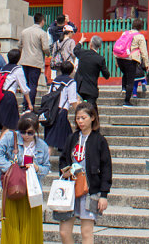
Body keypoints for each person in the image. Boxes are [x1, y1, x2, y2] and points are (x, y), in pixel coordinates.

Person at [55, 102, 111, 244]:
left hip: (90, 190)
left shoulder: (99, 140)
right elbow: (63, 160)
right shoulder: (72, 138)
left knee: (86, 233)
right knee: (64, 231)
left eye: (83, 118)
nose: (80, 121)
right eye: (78, 118)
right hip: (70, 190)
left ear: (92, 118)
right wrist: (65, 170)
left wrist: (103, 195)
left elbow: (106, 168)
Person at [0, 113, 50, 244]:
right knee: (12, 223)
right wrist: (12, 168)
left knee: (31, 226)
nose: (25, 135)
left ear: (36, 131)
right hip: (13, 186)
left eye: (30, 133)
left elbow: (46, 167)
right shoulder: (10, 137)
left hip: (32, 188)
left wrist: (37, 168)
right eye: (23, 132)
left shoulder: (42, 145)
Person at [0, 48, 33, 132]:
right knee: (9, 125)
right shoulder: (18, 69)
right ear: (18, 58)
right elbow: (24, 89)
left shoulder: (4, 68)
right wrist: (29, 103)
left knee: (5, 124)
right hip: (9, 97)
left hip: (0, 95)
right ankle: (0, 144)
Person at [45, 61, 79, 153]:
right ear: (71, 71)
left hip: (51, 110)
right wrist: (78, 111)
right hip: (61, 111)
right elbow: (72, 100)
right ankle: (45, 162)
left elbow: (49, 94)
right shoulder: (71, 82)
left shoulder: (55, 80)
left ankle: (67, 156)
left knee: (68, 136)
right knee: (51, 141)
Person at [19, 13, 51, 108]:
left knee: (26, 83)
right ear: (42, 21)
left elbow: (19, 45)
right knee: (33, 84)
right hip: (35, 61)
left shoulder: (24, 31)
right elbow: (45, 47)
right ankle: (30, 104)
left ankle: (25, 103)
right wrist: (48, 53)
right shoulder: (42, 33)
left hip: (25, 60)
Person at [115, 17, 148, 107]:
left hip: (120, 58)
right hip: (130, 59)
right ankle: (127, 101)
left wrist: (116, 59)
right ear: (141, 27)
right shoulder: (140, 36)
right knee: (130, 80)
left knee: (125, 74)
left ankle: (123, 89)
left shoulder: (124, 33)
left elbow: (119, 44)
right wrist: (146, 63)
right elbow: (144, 52)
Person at [73, 35, 110, 109]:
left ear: (90, 44)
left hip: (80, 86)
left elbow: (75, 50)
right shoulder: (100, 59)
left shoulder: (82, 53)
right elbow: (106, 75)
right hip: (91, 88)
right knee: (92, 109)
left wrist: (80, 42)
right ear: (99, 46)